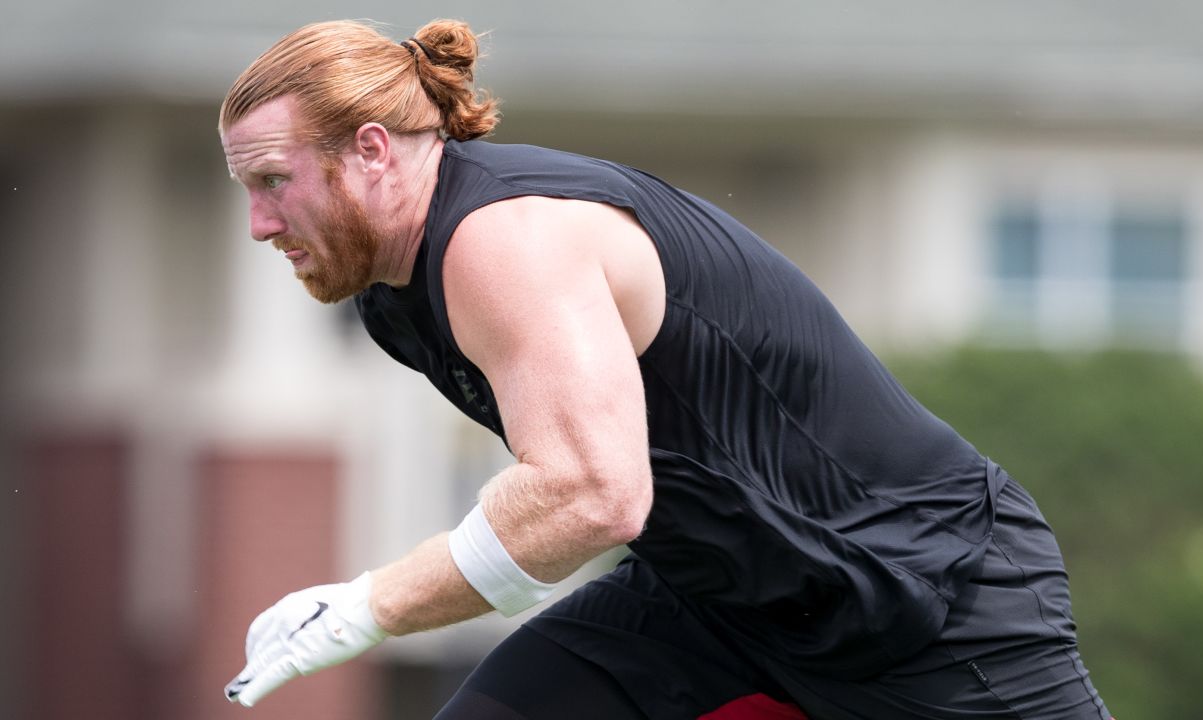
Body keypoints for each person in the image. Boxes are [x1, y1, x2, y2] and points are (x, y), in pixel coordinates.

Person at [218, 18, 1113, 720]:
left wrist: (373, 605)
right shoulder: (392, 294)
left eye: (270, 181)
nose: (261, 224)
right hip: (712, 604)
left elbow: (591, 495)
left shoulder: (504, 240)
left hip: (922, 596)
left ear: (372, 150)